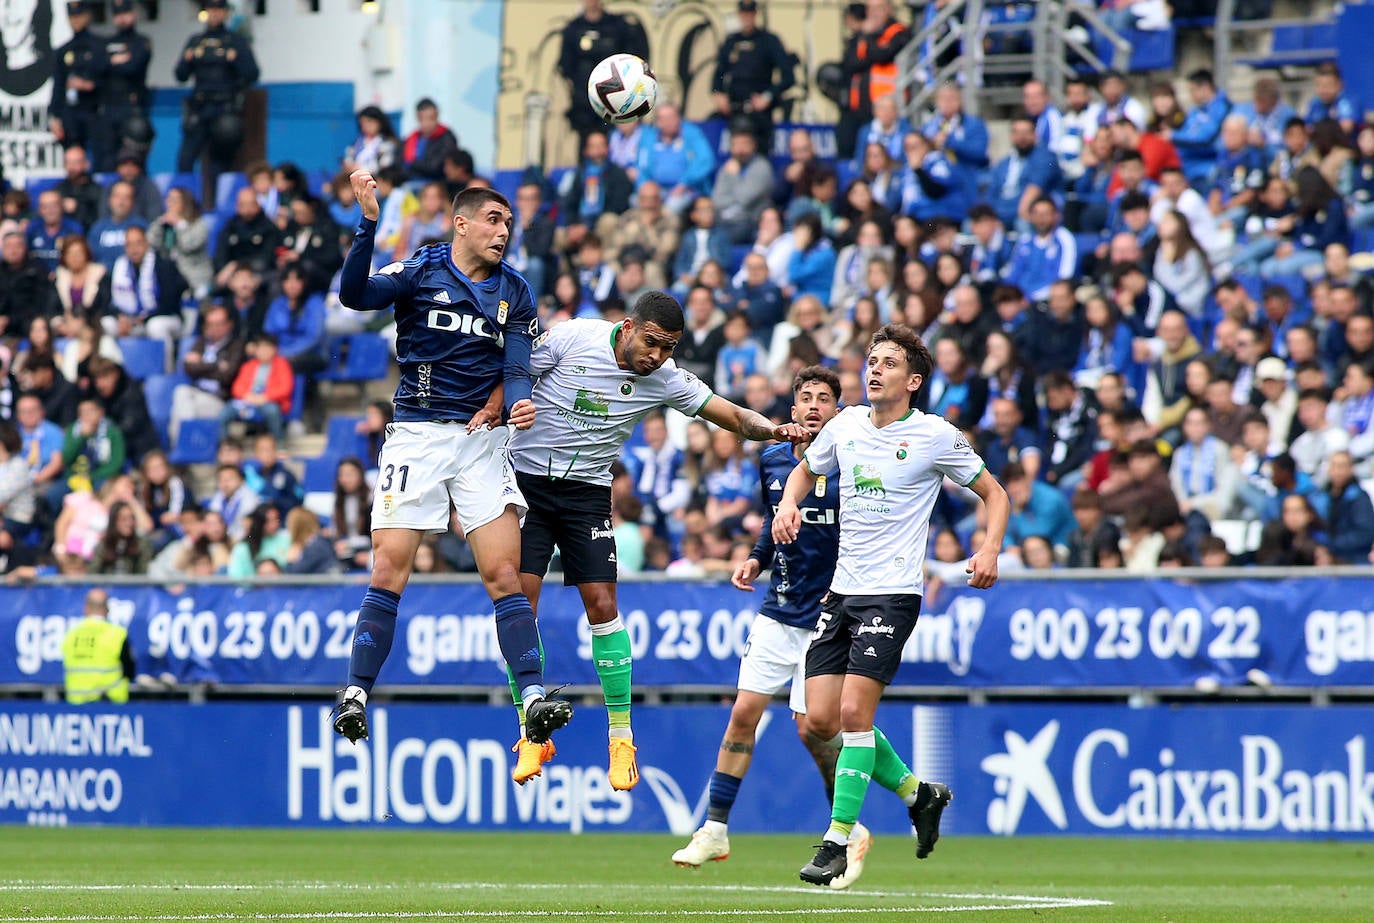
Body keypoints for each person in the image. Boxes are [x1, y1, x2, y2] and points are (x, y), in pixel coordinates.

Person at [506, 292, 809, 788]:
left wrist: (771, 430)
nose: (658, 356)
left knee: (603, 604)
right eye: (652, 343)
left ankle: (621, 737)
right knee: (521, 604)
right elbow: (514, 373)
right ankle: (530, 732)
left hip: (587, 491)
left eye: (669, 348)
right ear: (628, 327)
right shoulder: (571, 339)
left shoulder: (665, 378)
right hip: (525, 483)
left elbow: (731, 415)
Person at [773, 323, 1008, 885]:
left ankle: (836, 840)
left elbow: (994, 493)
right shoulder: (847, 424)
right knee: (819, 719)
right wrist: (787, 504)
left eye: (887, 363)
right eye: (870, 360)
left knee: (855, 714)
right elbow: (806, 469)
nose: (873, 369)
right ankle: (919, 794)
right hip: (843, 591)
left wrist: (990, 548)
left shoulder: (934, 436)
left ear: (913, 380)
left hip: (894, 594)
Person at [331, 170, 557, 750]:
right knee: (389, 569)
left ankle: (532, 698)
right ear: (461, 223)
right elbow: (353, 295)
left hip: (483, 442)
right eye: (493, 219)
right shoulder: (419, 270)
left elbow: (515, 364)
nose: (503, 230)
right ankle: (355, 694)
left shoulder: (516, 290)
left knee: (504, 575)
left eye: (508, 222)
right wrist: (369, 224)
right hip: (418, 436)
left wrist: (516, 402)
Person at [672, 365, 874, 888]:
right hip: (780, 606)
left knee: (816, 729)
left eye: (824, 398)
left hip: (830, 615)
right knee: (743, 712)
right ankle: (715, 828)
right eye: (805, 397)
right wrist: (757, 558)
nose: (813, 406)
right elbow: (773, 519)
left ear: (838, 410)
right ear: (791, 410)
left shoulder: (854, 461)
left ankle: (845, 829)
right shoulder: (773, 458)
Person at [173, 0, 260, 182]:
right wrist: (188, 60)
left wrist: (235, 60)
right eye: (210, 9)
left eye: (218, 10)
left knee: (219, 163)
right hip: (199, 106)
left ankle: (215, 205)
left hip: (224, 107)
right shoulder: (196, 41)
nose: (214, 14)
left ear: (225, 13)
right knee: (185, 159)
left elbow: (252, 74)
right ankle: (186, 202)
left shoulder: (235, 41)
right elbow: (180, 75)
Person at [711, 0, 796, 151]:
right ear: (739, 14)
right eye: (744, 14)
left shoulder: (769, 41)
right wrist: (718, 94)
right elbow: (718, 75)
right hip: (734, 112)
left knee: (759, 155)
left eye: (750, 13)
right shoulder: (731, 42)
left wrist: (767, 96)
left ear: (755, 14)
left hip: (759, 115)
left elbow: (788, 77)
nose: (747, 18)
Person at [558, 0, 648, 139]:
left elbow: (633, 60)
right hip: (585, 102)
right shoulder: (573, 29)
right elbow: (566, 66)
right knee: (589, 144)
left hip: (615, 99)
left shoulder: (618, 27)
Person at [49, 1, 109, 170]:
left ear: (87, 16)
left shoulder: (99, 46)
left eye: (79, 16)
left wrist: (91, 85)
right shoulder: (64, 50)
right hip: (71, 111)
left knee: (100, 153)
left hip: (94, 109)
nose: (75, 21)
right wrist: (54, 115)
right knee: (72, 150)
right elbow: (58, 85)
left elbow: (107, 77)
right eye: (72, 17)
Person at [62, 588, 136, 704]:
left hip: (76, 705)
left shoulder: (71, 635)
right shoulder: (117, 634)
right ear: (107, 608)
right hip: (109, 705)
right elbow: (130, 671)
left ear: (85, 608)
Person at [102, 0, 152, 166]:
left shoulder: (141, 42)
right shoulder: (106, 43)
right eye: (118, 14)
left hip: (132, 107)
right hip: (109, 106)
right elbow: (97, 67)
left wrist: (110, 63)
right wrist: (113, 62)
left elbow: (133, 67)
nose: (122, 18)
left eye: (125, 13)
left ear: (133, 14)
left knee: (134, 158)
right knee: (107, 158)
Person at [401, 99, 461, 183]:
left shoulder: (447, 138)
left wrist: (412, 163)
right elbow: (400, 163)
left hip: (438, 183)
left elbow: (434, 167)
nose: (427, 123)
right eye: (423, 118)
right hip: (411, 180)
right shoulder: (411, 139)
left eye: (431, 118)